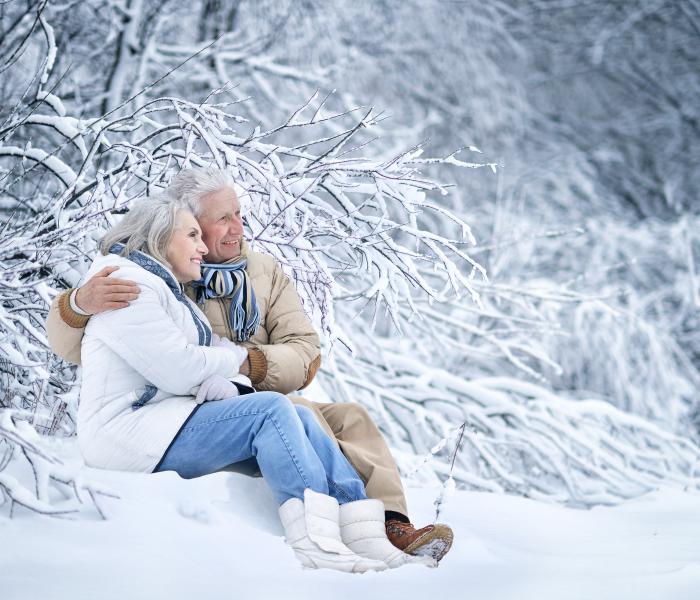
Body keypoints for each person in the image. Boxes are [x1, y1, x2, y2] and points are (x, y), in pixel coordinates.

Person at [46, 168, 453, 563]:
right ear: (189, 224)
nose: (238, 228)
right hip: (198, 404)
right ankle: (330, 535)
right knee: (289, 415)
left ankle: (392, 524)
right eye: (223, 219)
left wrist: (252, 366)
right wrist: (77, 304)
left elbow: (306, 352)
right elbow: (82, 348)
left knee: (350, 418)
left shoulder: (262, 272)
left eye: (239, 215)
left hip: (254, 389)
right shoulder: (166, 271)